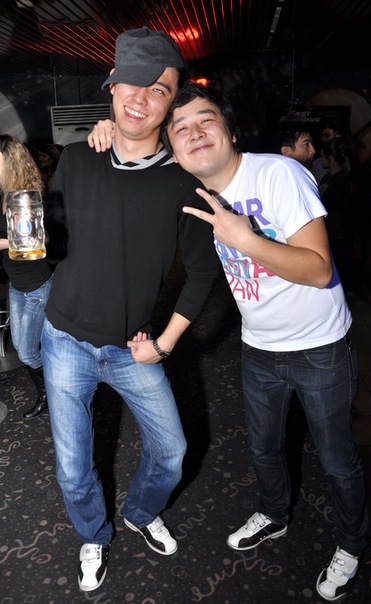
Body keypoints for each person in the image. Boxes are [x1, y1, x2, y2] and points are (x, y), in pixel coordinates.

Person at [89, 85, 371, 600]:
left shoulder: (277, 174)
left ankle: (352, 544)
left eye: (206, 119)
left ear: (231, 130)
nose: (195, 132)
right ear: (173, 150)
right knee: (263, 448)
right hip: (258, 347)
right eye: (181, 128)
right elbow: (128, 166)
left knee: (337, 459)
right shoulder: (191, 188)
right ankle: (274, 513)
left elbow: (320, 269)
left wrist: (247, 240)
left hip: (321, 348)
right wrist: (109, 130)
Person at [41, 28, 219, 593]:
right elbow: (48, 242)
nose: (140, 98)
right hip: (64, 339)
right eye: (131, 83)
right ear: (112, 86)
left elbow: (204, 272)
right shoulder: (76, 158)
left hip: (132, 347)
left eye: (158, 89)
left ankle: (142, 512)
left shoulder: (184, 183)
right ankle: (93, 533)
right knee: (73, 468)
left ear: (170, 103)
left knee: (172, 452)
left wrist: (164, 344)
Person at [0, 134, 53, 420]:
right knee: (23, 347)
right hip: (16, 283)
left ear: (11, 162)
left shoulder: (27, 196)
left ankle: (55, 392)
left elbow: (37, 242)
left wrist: (5, 242)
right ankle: (50, 394)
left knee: (28, 352)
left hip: (36, 285)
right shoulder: (3, 194)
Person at [319, 137, 356, 291]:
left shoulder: (341, 179)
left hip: (339, 232)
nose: (320, 159)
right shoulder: (327, 177)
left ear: (331, 157)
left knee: (340, 272)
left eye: (323, 155)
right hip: (330, 231)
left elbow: (324, 203)